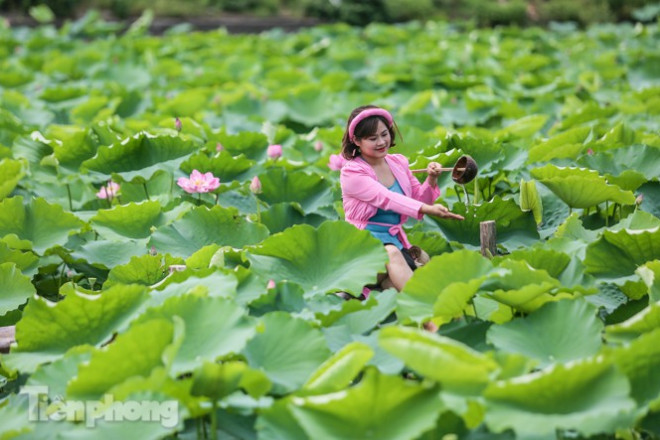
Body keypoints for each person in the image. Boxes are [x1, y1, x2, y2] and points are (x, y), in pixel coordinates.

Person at [339, 105, 464, 293]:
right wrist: (427, 209)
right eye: (373, 138)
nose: (381, 142)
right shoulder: (352, 173)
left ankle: (434, 308)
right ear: (356, 140)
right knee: (392, 253)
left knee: (422, 258)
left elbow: (421, 199)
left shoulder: (398, 163)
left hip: (394, 240)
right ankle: (428, 317)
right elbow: (386, 198)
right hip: (363, 247)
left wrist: (431, 179)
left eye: (384, 134)